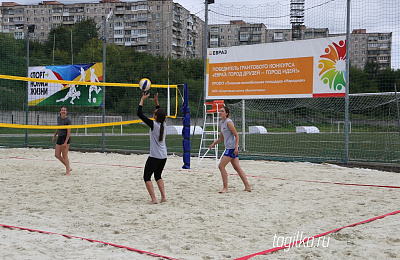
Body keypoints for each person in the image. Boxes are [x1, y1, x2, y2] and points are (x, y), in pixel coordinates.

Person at [209, 105, 251, 193]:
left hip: (232, 148)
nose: (220, 112)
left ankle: (225, 188)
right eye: (220, 111)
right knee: (237, 167)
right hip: (229, 147)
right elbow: (221, 137)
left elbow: (236, 135)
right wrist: (214, 143)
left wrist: (236, 147)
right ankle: (247, 186)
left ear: (226, 113)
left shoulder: (228, 122)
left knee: (221, 166)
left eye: (222, 111)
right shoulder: (221, 123)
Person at [137, 92, 167, 204]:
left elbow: (139, 114)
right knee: (158, 175)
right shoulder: (164, 124)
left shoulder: (154, 125)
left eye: (154, 113)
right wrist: (156, 102)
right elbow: (160, 112)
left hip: (155, 156)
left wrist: (142, 100)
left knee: (146, 177)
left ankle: (154, 199)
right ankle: (163, 197)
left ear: (155, 116)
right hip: (163, 156)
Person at [52, 106, 72, 176]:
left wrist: (66, 142)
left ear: (66, 112)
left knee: (64, 155)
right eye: (62, 110)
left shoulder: (68, 120)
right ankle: (68, 167)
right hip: (60, 137)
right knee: (57, 155)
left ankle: (68, 172)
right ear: (60, 112)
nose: (63, 111)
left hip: (65, 138)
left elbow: (69, 132)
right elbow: (58, 128)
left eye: (64, 110)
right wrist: (54, 136)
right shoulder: (59, 118)